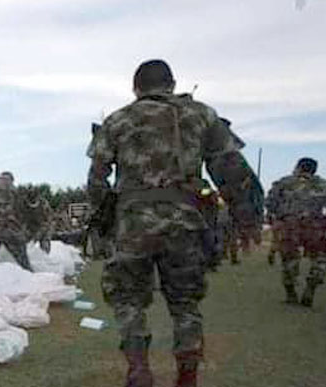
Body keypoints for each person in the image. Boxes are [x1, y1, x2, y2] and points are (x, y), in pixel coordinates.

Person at [87, 59, 263, 387]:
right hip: (185, 223)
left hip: (133, 224)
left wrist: (105, 219)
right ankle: (187, 375)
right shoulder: (201, 114)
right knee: (185, 302)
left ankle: (138, 368)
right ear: (171, 84)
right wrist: (247, 217)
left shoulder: (117, 119)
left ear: (135, 88)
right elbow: (230, 168)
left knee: (128, 297)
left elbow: (97, 178)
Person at [265, 157, 326, 306]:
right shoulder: (322, 185)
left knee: (289, 259)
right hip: (315, 224)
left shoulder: (285, 182)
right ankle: (311, 286)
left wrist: (275, 216)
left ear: (298, 167)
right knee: (319, 259)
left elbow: (270, 202)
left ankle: (291, 294)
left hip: (290, 224)